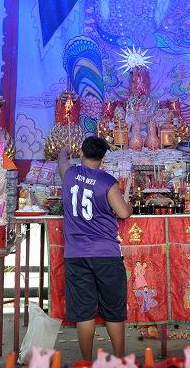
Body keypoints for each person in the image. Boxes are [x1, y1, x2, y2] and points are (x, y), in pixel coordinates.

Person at [58, 138, 133, 361]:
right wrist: (127, 203)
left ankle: (86, 362)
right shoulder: (107, 181)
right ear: (103, 157)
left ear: (81, 152)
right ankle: (119, 360)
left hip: (76, 254)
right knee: (114, 309)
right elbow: (123, 213)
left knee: (83, 311)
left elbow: (61, 159)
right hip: (106, 254)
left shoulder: (69, 174)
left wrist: (64, 149)